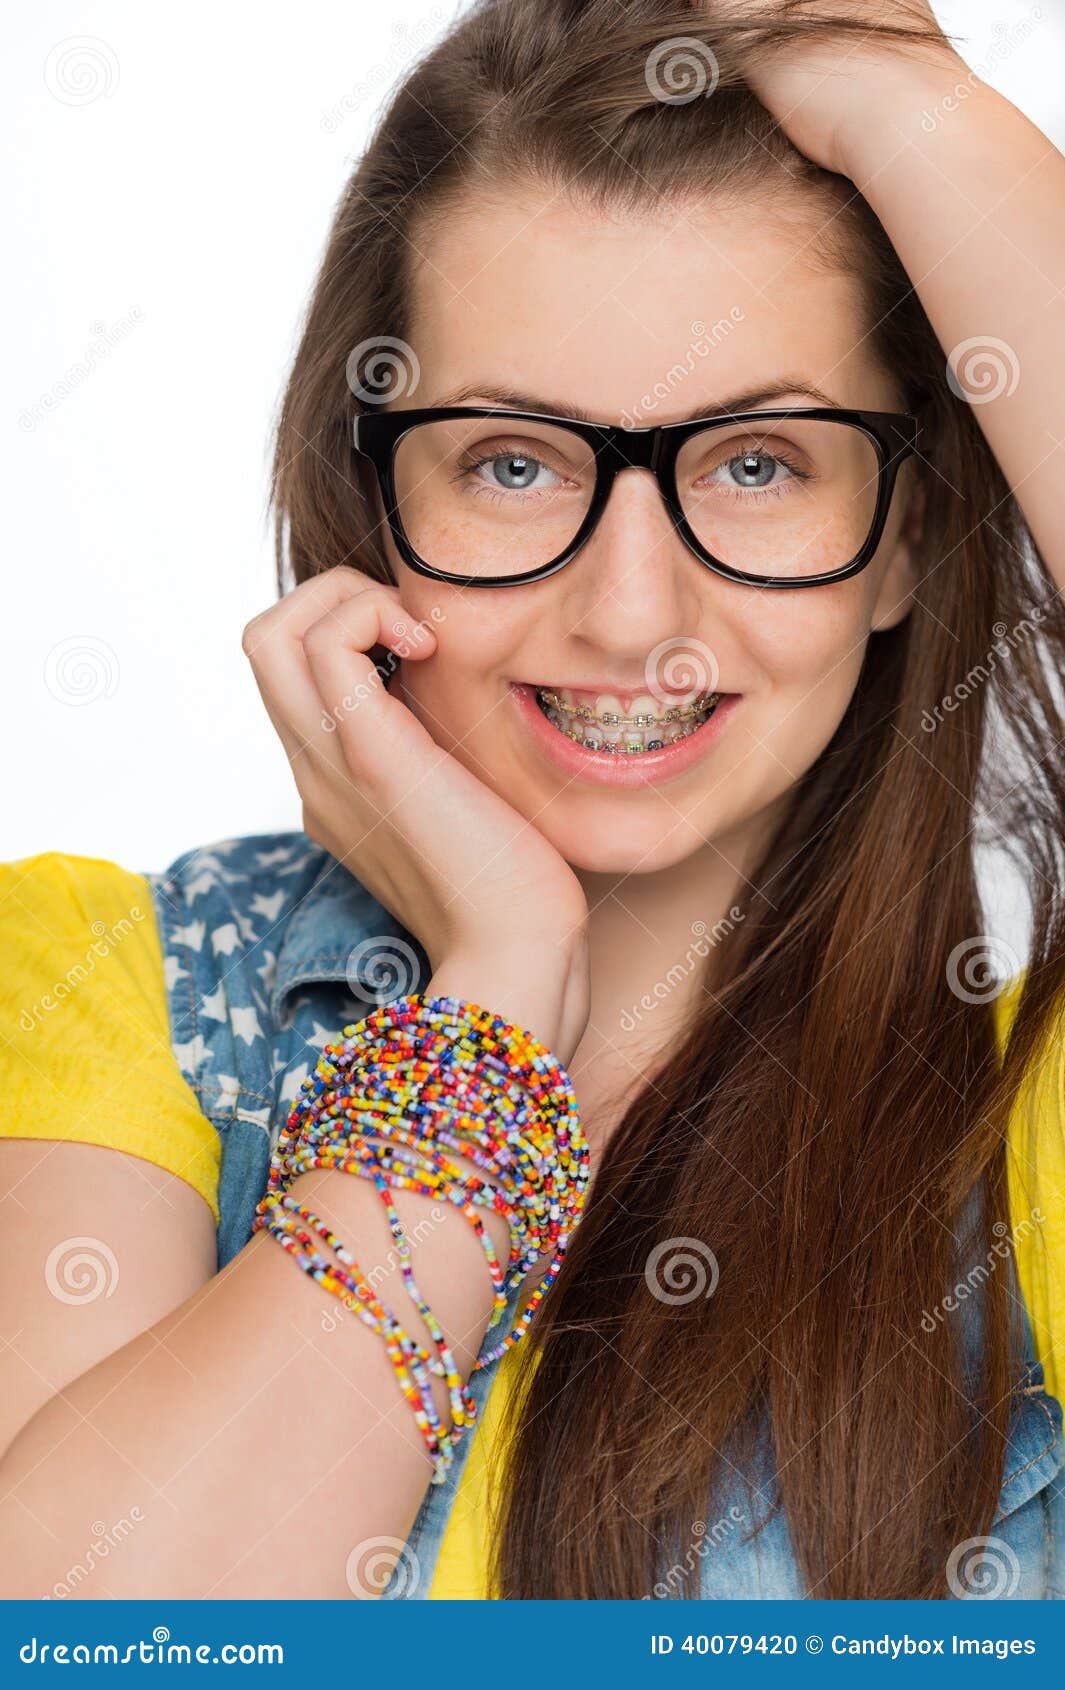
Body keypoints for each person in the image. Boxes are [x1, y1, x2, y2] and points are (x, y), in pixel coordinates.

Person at [2, 0, 1064, 1601]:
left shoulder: (1020, 1103)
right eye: (512, 463)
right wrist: (493, 987)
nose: (630, 613)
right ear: (374, 498)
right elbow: (98, 1636)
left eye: (757, 463)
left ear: (903, 531)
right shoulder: (116, 983)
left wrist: (905, 104)